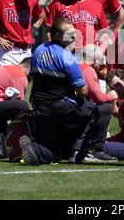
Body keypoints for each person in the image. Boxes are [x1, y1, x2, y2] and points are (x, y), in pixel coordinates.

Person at [20, 18, 103, 165]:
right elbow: (83, 92)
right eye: (70, 34)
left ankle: (33, 148)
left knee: (52, 155)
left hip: (40, 108)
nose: (75, 36)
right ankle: (78, 153)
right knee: (94, 111)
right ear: (57, 36)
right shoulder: (68, 58)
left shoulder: (39, 50)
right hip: (59, 106)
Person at [78, 44, 119, 162]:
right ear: (94, 58)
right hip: (76, 111)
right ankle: (95, 150)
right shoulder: (88, 69)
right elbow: (99, 98)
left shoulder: (75, 65)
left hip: (66, 107)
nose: (101, 64)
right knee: (105, 108)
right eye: (100, 60)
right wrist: (111, 95)